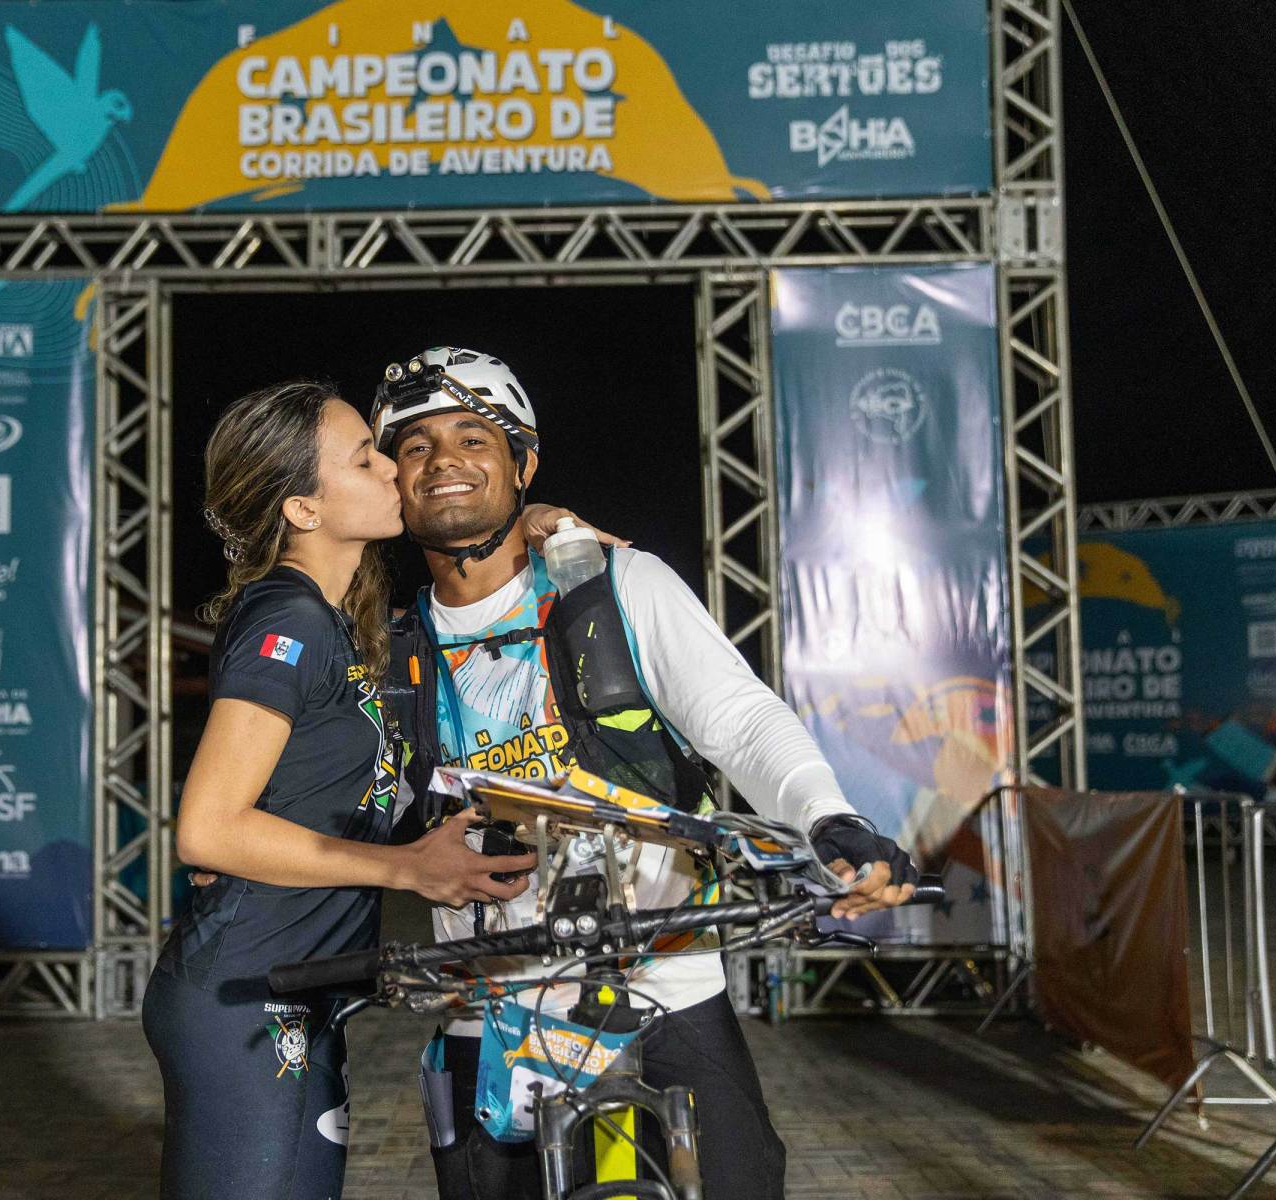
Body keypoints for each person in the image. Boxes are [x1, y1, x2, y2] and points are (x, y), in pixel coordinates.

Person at [371, 347, 922, 1200]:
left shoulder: (620, 584)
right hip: (493, 1008)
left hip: (664, 985)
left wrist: (827, 819)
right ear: (393, 483)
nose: (444, 461)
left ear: (523, 464)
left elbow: (740, 719)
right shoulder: (389, 646)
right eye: (416, 447)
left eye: (473, 438)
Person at [141, 380, 539, 1200]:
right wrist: (407, 869)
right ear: (303, 509)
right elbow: (208, 829)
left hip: (296, 992)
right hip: (245, 996)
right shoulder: (286, 620)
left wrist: (541, 525)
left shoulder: (340, 625)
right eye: (364, 459)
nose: (392, 468)